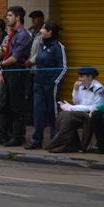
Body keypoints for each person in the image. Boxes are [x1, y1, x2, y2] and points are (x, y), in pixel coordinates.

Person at [0, 6, 32, 147]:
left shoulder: (23, 35)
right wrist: (2, 66)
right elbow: (4, 54)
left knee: (16, 106)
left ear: (18, 17)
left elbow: (16, 57)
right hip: (7, 70)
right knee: (3, 104)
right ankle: (2, 135)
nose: (7, 18)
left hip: (16, 71)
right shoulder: (11, 34)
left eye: (10, 15)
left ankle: (17, 137)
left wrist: (2, 64)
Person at [26, 21, 67, 150]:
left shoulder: (58, 47)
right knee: (38, 112)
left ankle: (55, 140)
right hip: (38, 84)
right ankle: (36, 140)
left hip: (51, 86)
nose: (41, 31)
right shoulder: (42, 44)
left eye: (43, 29)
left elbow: (63, 68)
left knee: (52, 113)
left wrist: (53, 82)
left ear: (50, 32)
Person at [45, 67, 104, 152]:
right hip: (79, 112)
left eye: (82, 76)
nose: (79, 79)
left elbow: (95, 107)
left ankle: (61, 141)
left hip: (91, 114)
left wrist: (73, 108)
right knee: (62, 114)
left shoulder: (98, 89)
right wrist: (76, 90)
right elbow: (76, 102)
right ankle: (70, 144)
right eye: (79, 76)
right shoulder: (80, 86)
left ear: (90, 77)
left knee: (67, 116)